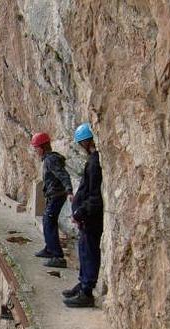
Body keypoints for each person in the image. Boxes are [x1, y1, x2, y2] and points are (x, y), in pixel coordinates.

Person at [63, 123, 104, 308]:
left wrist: (80, 212)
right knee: (84, 251)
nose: (80, 147)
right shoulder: (93, 161)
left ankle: (86, 291)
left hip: (90, 219)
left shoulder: (95, 163)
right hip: (86, 218)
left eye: (81, 143)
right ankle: (82, 283)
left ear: (87, 142)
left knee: (89, 252)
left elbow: (94, 196)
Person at [30, 132, 73, 268]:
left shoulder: (50, 160)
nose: (36, 151)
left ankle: (57, 256)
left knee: (48, 222)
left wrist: (69, 190)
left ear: (41, 148)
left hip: (56, 195)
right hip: (53, 195)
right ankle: (49, 249)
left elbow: (63, 174)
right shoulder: (49, 159)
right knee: (48, 221)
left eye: (36, 148)